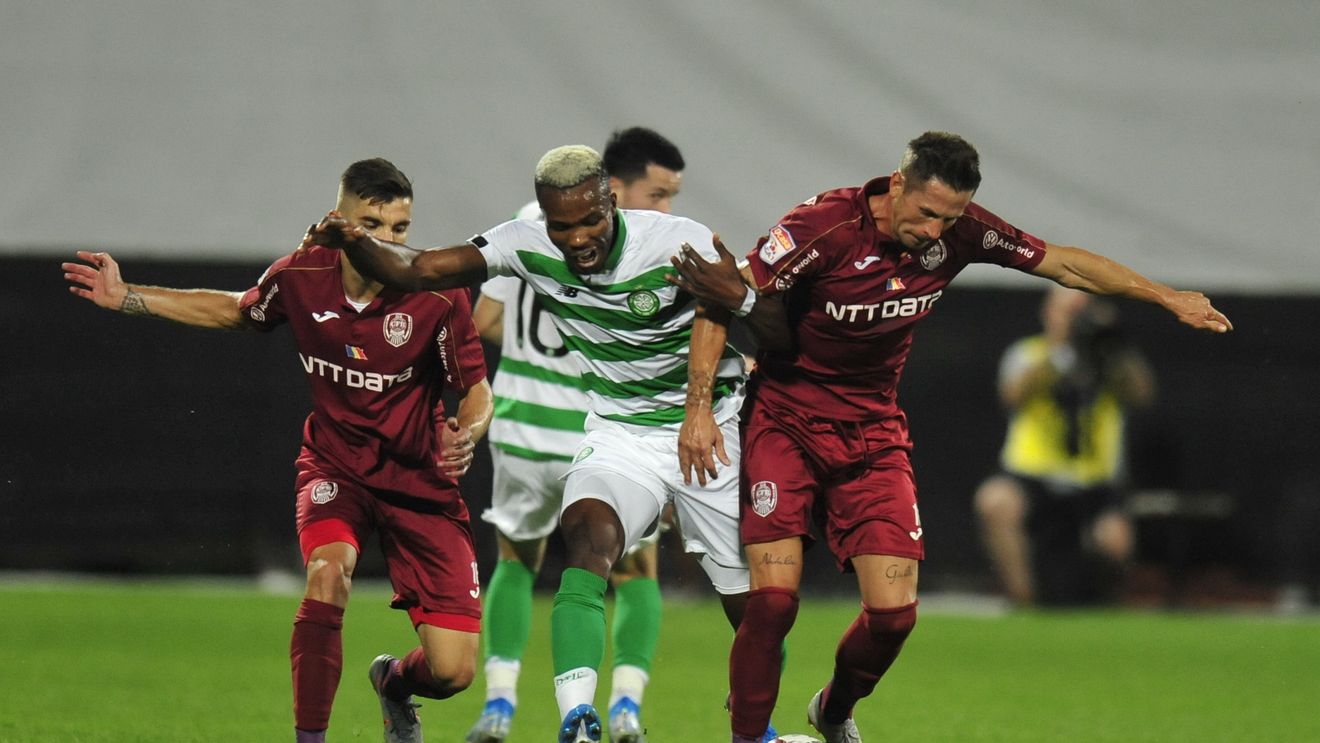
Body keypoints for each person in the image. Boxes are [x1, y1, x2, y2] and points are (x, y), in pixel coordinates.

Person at [666, 131, 1232, 743]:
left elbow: (1063, 262)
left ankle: (832, 710)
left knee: (893, 617)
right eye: (928, 212)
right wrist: (698, 410)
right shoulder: (823, 225)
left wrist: (1165, 296)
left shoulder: (963, 233)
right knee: (773, 602)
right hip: (786, 421)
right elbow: (723, 298)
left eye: (952, 217)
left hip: (873, 434)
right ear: (898, 183)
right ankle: (748, 739)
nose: (937, 230)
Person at [304, 145, 784, 743]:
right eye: (561, 226)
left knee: (762, 612)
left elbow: (763, 320)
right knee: (587, 541)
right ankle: (578, 719)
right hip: (619, 433)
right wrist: (347, 239)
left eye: (589, 221)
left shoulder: (676, 240)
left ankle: (759, 730)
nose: (577, 238)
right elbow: (417, 270)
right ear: (544, 218)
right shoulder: (522, 241)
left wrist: (710, 383)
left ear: (611, 201)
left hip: (710, 433)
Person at [61, 158, 495, 743]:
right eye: (373, 225)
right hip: (336, 466)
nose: (390, 241)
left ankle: (394, 684)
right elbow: (238, 311)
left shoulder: (436, 292)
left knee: (453, 671)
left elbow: (476, 388)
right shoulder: (301, 274)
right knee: (326, 574)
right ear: (340, 221)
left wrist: (467, 431)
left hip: (419, 484)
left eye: (400, 228)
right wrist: (128, 297)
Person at [466, 127, 686, 743]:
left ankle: (500, 705)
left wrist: (537, 346)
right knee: (634, 573)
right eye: (659, 193)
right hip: (602, 439)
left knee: (515, 560)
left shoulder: (526, 226)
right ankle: (623, 710)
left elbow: (484, 319)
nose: (666, 209)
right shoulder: (639, 249)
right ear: (611, 189)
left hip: (518, 426)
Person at [974, 286, 1155, 607]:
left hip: (1092, 479)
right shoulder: (1028, 353)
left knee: (1116, 540)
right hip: (1033, 474)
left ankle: (1098, 605)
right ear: (1048, 314)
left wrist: (1112, 342)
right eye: (1066, 311)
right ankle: (1024, 602)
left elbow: (1142, 394)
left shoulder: (1108, 358)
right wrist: (1060, 347)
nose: (1074, 319)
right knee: (995, 502)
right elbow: (1014, 394)